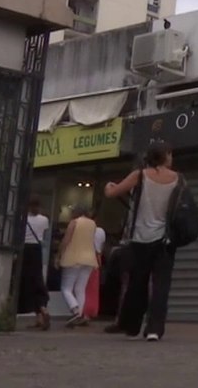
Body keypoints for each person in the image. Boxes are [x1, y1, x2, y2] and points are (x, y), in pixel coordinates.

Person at [104, 140, 181, 342]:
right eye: (170, 154)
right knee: (161, 285)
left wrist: (108, 186)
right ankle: (155, 329)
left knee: (138, 283)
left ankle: (133, 327)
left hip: (140, 238)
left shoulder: (139, 175)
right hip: (165, 239)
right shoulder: (178, 179)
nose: (172, 158)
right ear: (165, 156)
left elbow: (112, 193)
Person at [57, 205, 99, 327]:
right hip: (89, 259)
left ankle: (75, 309)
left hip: (73, 257)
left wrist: (59, 254)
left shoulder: (74, 223)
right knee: (80, 288)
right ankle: (80, 314)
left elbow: (66, 240)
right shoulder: (92, 224)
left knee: (66, 287)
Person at [19, 196, 51, 330]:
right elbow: (44, 236)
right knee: (38, 280)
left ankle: (37, 314)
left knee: (24, 282)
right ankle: (42, 310)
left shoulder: (22, 219)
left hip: (24, 250)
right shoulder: (44, 219)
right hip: (37, 250)